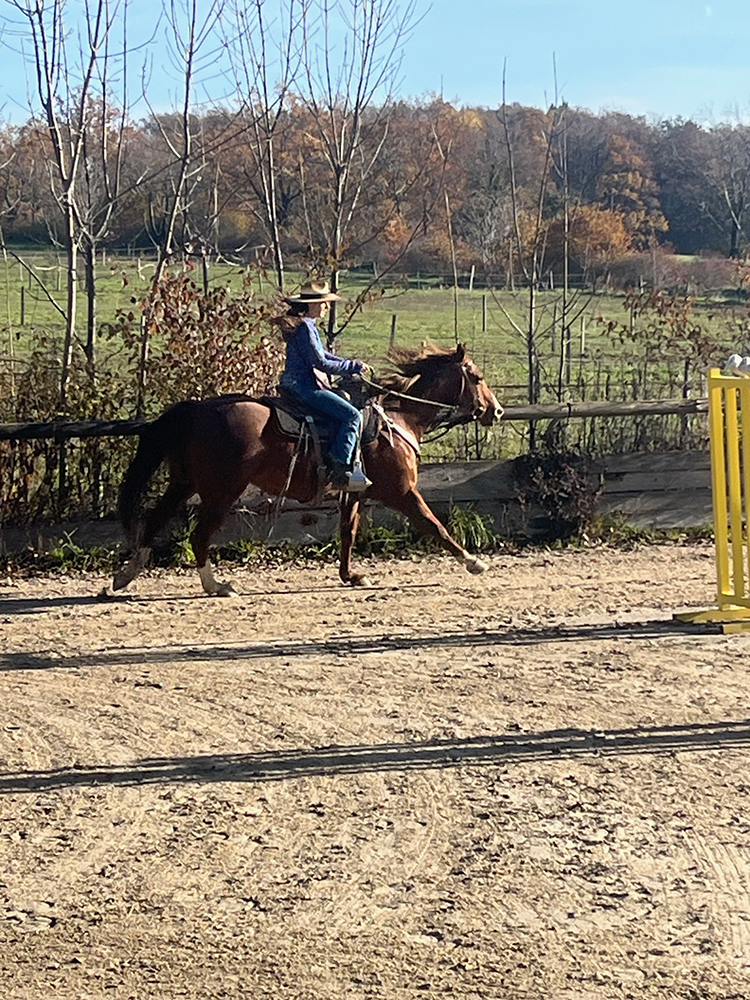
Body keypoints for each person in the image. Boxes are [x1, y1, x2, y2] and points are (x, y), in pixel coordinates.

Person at [279, 281, 372, 492]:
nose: (327, 307)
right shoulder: (304, 328)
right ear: (313, 305)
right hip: (305, 387)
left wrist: (350, 364)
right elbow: (320, 363)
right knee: (353, 417)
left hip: (294, 384)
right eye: (324, 303)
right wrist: (351, 366)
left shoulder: (307, 325)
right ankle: (339, 468)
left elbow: (325, 356)